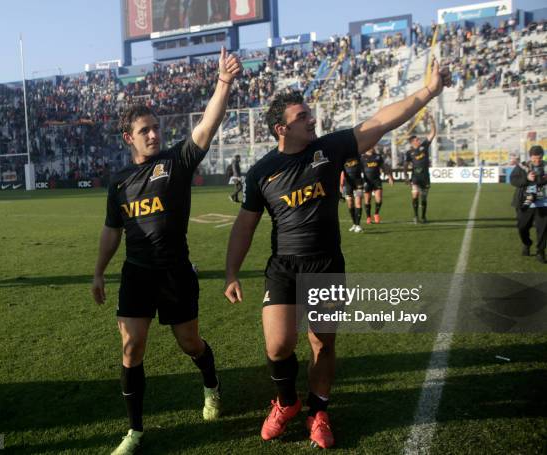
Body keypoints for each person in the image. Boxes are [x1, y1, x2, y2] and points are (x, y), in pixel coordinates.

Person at [224, 61, 451, 449]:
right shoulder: (261, 172)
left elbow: (379, 122)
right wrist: (231, 272)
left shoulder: (328, 149)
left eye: (309, 113)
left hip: (326, 265)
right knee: (278, 346)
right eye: (303, 116)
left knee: (321, 344)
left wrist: (427, 92)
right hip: (285, 267)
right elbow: (245, 224)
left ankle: (318, 410)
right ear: (282, 128)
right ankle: (286, 403)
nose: (312, 120)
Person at [91, 47, 241, 455]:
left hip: (175, 273)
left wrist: (223, 82)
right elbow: (111, 230)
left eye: (156, 128)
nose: (154, 134)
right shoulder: (119, 182)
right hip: (137, 274)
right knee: (131, 347)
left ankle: (211, 385)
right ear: (129, 138)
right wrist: (99, 271)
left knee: (189, 343)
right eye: (146, 130)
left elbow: (207, 127)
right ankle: (135, 430)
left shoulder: (176, 162)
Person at [510, 145, 546, 263]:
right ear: (530, 157)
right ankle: (527, 243)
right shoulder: (522, 166)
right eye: (535, 158)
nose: (537, 161)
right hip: (525, 203)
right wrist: (527, 178)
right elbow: (513, 180)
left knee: (543, 229)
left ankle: (540, 252)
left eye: (539, 158)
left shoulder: (546, 166)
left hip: (543, 203)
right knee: (522, 227)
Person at [404, 112, 436, 224]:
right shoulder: (409, 153)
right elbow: (406, 165)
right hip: (415, 176)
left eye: (418, 139)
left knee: (424, 198)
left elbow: (432, 133)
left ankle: (423, 216)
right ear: (412, 142)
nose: (419, 140)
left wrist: (432, 121)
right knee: (415, 194)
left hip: (425, 176)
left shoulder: (424, 146)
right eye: (417, 140)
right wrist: (406, 176)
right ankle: (415, 216)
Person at [362, 147, 394, 224]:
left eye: (373, 146)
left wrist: (389, 177)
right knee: (367, 200)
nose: (372, 148)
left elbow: (384, 167)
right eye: (371, 146)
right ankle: (368, 217)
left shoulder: (378, 156)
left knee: (379, 199)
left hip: (376, 180)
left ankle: (376, 214)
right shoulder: (362, 158)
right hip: (367, 181)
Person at [340, 156, 364, 233]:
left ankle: (358, 225)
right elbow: (341, 172)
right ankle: (354, 223)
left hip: (358, 182)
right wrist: (341, 185)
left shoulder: (358, 156)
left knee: (358, 202)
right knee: (350, 203)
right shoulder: (342, 158)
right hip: (348, 184)